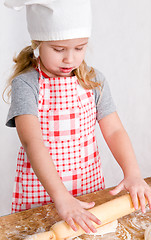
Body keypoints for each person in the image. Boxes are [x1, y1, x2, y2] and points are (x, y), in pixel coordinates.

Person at [4, 0, 151, 234]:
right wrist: (62, 199)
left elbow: (114, 131)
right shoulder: (27, 84)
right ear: (38, 44)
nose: (69, 59)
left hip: (87, 188)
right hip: (44, 195)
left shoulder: (93, 80)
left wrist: (132, 173)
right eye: (58, 49)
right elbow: (33, 143)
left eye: (79, 48)